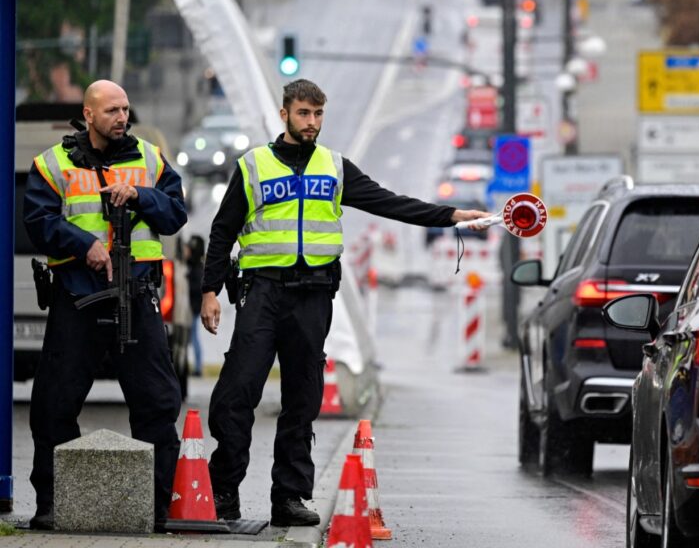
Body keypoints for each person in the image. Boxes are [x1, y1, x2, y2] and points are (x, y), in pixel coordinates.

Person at [200, 79, 490, 526]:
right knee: (236, 394)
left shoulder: (334, 167)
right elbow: (222, 232)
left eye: (318, 115)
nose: (312, 123)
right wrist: (209, 291)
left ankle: (290, 498)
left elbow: (388, 203)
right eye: (303, 114)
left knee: (303, 399)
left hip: (312, 297)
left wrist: (450, 216)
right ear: (284, 115)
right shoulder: (253, 165)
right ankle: (223, 492)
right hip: (261, 294)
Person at [22, 80, 187, 530]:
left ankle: (159, 506)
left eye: (126, 109)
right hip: (78, 295)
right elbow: (38, 221)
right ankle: (53, 503)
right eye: (112, 110)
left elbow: (175, 214)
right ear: (89, 114)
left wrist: (140, 196)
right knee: (53, 403)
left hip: (136, 294)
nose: (122, 117)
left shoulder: (149, 159)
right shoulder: (52, 163)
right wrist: (83, 246)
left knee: (157, 401)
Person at [186, 235, 206, 376]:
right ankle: (196, 366)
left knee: (192, 337)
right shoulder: (194, 266)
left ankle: (198, 367)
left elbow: (196, 288)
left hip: (192, 308)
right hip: (193, 307)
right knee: (192, 337)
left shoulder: (196, 268)